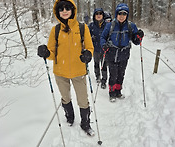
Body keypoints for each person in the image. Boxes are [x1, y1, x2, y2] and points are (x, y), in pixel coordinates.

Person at [37, 0, 95, 136]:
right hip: (60, 72)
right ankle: (70, 117)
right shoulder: (55, 30)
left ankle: (85, 123)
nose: (64, 11)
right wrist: (46, 52)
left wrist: (88, 54)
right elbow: (52, 52)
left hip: (78, 71)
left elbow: (90, 47)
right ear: (57, 12)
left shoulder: (82, 28)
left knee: (83, 99)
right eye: (61, 8)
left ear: (72, 10)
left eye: (67, 8)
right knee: (65, 97)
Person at [100, 3, 144, 102]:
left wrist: (139, 36)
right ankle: (112, 93)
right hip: (111, 53)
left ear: (127, 15)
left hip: (124, 54)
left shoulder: (131, 26)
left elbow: (136, 41)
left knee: (121, 74)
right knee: (113, 74)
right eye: (120, 14)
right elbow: (103, 37)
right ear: (116, 14)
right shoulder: (110, 26)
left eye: (124, 14)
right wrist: (104, 45)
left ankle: (118, 91)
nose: (122, 16)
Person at [88, 8, 108, 89]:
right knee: (96, 64)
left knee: (104, 65)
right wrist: (91, 38)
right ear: (94, 16)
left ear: (103, 15)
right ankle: (97, 77)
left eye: (100, 13)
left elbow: (110, 35)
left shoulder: (107, 25)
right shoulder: (91, 25)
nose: (99, 15)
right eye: (97, 14)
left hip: (105, 49)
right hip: (95, 48)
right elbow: (87, 36)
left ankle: (104, 80)